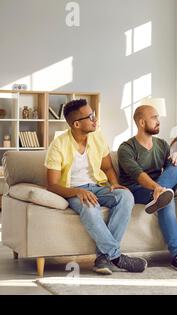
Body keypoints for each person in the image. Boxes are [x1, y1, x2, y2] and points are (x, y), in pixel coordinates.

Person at [45, 99, 147, 275]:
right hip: (73, 191)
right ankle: (116, 257)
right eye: (90, 116)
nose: (95, 119)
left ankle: (103, 258)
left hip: (98, 186)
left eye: (94, 114)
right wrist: (77, 191)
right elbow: (52, 185)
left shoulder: (97, 136)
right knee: (91, 209)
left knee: (126, 196)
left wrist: (114, 184)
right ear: (76, 124)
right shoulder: (58, 145)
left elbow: (107, 167)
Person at [118, 103, 177, 272]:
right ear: (141, 122)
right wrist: (158, 189)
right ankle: (176, 255)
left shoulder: (161, 145)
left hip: (158, 188)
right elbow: (138, 175)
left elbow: (173, 169)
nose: (159, 121)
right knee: (166, 196)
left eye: (158, 117)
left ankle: (160, 195)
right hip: (137, 190)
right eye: (154, 117)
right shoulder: (126, 148)